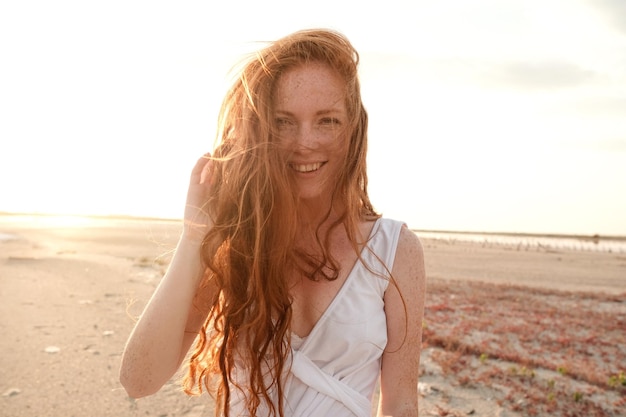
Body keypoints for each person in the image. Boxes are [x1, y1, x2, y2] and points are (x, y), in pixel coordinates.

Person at [119, 28, 426, 417]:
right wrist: (196, 235)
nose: (305, 141)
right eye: (283, 122)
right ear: (261, 130)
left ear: (353, 129)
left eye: (327, 120)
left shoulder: (396, 250)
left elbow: (400, 403)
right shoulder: (238, 243)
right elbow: (138, 380)